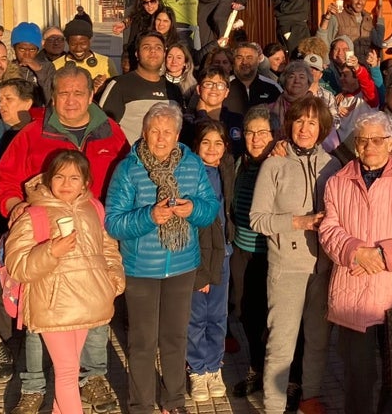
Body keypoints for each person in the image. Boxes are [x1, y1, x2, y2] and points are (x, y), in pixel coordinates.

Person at [0, 64, 128, 414]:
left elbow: (128, 178)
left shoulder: (110, 133)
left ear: (90, 95)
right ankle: (34, 385)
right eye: (63, 93)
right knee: (40, 323)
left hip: (94, 246)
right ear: (53, 96)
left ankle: (93, 378)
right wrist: (17, 206)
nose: (70, 100)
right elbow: (1, 179)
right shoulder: (32, 134)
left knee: (94, 320)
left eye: (78, 93)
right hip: (45, 252)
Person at [105, 103, 220, 414]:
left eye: (167, 132)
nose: (160, 138)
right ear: (144, 133)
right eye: (154, 131)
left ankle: (174, 402)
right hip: (141, 268)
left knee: (175, 338)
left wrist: (193, 209)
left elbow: (210, 209)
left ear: (177, 135)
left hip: (182, 266)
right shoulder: (128, 168)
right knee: (142, 342)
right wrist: (148, 216)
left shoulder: (193, 165)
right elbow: (113, 222)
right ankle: (140, 405)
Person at [319, 112, 392, 414]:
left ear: (390, 141)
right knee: (358, 376)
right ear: (355, 144)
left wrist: (379, 256)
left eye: (377, 139)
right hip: (354, 294)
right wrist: (356, 251)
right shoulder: (337, 182)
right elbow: (329, 231)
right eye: (363, 140)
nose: (370, 146)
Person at [5, 150, 125, 414]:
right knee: (68, 372)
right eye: (59, 177)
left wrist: (113, 281)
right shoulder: (33, 214)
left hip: (87, 302)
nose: (66, 184)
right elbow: (17, 265)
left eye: (74, 178)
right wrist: (50, 252)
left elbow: (108, 248)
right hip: (52, 306)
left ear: (85, 182)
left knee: (66, 373)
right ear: (49, 180)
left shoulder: (93, 208)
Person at [250, 95, 337, 414]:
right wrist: (298, 222)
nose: (305, 128)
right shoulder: (275, 163)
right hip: (287, 265)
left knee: (317, 339)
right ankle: (274, 406)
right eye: (299, 121)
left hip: (323, 267)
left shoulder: (332, 164)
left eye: (312, 122)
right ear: (290, 124)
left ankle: (310, 396)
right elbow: (257, 219)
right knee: (281, 342)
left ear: (322, 128)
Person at [229, 106, 281, 398]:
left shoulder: (280, 165)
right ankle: (255, 368)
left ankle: (277, 374)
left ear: (275, 136)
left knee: (273, 318)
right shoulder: (240, 163)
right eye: (250, 132)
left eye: (263, 132)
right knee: (247, 313)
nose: (256, 138)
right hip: (243, 250)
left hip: (271, 253)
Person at [187, 120, 236, 403]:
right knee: (196, 316)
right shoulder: (190, 173)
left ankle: (214, 366)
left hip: (224, 252)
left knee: (218, 316)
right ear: (196, 146)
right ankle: (197, 367)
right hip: (198, 254)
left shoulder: (226, 169)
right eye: (206, 142)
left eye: (218, 143)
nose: (212, 148)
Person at [99, 31, 184, 144]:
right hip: (131, 159)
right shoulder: (120, 85)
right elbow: (102, 128)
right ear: (137, 54)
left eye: (158, 47)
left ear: (164, 54)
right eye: (146, 47)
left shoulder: (173, 90)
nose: (153, 51)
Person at [58, 17, 116, 96]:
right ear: (67, 42)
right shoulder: (56, 65)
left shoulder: (106, 62)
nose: (78, 49)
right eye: (73, 44)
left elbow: (117, 91)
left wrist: (105, 86)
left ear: (90, 41)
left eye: (83, 43)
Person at [317, 0, 383, 49]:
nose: (360, 2)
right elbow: (325, 44)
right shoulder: (338, 17)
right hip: (343, 59)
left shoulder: (367, 19)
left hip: (363, 59)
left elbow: (378, 43)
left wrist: (380, 18)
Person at [226, 41, 283, 117]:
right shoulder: (224, 85)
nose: (244, 62)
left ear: (257, 61)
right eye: (239, 57)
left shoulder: (273, 87)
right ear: (233, 61)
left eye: (249, 57)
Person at [12, 21, 54, 103]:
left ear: (38, 50)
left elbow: (50, 97)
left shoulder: (47, 67)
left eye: (32, 50)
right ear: (14, 48)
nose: (27, 54)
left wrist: (39, 71)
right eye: (22, 49)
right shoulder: (8, 68)